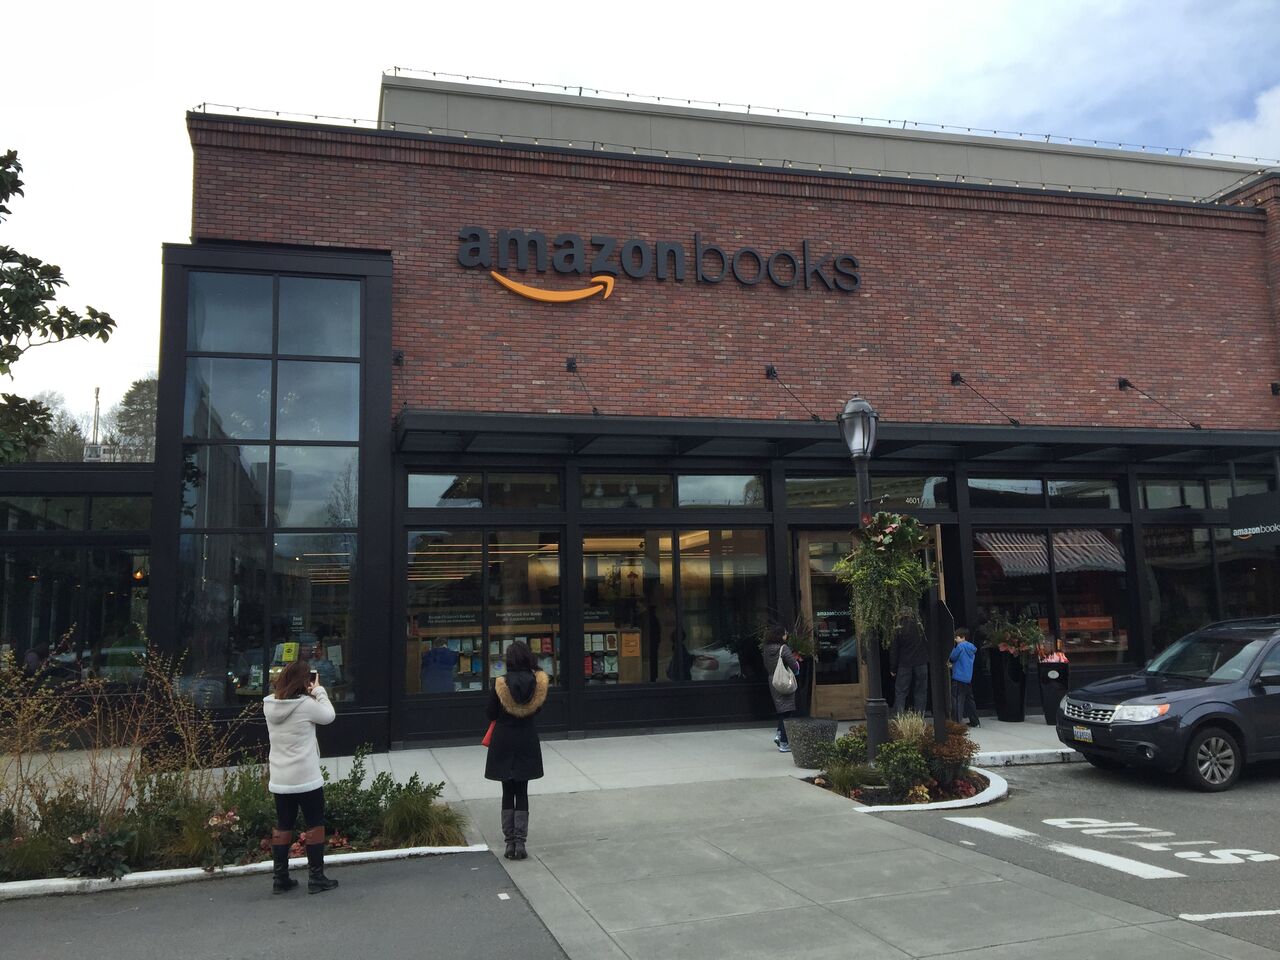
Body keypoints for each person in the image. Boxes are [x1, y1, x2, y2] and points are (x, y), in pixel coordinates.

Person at [262, 659, 338, 894]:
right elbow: (329, 716)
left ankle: (280, 878)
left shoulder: (269, 704)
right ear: (304, 681)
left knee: (283, 826)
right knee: (314, 824)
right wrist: (319, 691)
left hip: (281, 779)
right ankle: (316, 878)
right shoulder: (306, 705)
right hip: (306, 778)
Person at [485, 639, 548, 860]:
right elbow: (537, 711)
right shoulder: (538, 683)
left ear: (509, 659)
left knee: (507, 790)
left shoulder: (500, 683)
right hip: (526, 739)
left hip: (503, 739)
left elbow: (490, 713)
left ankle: (509, 843)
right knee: (522, 790)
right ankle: (521, 843)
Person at [762, 624, 800, 753]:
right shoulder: (783, 648)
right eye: (785, 633)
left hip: (773, 680)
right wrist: (797, 666)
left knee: (782, 710)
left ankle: (779, 735)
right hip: (784, 680)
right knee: (787, 712)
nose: (786, 635)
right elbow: (793, 665)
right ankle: (784, 742)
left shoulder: (766, 649)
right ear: (780, 635)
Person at [890, 607, 929, 714]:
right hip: (921, 662)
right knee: (921, 691)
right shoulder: (920, 627)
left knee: (901, 692)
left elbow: (894, 650)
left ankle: (900, 717)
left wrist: (893, 668)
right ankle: (919, 716)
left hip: (904, 663)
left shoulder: (898, 629)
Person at [949, 628, 980, 727]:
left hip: (958, 677)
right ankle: (975, 722)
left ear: (963, 638)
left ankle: (956, 723)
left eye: (956, 637)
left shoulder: (960, 646)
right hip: (968, 677)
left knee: (957, 700)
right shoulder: (971, 648)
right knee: (969, 700)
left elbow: (952, 657)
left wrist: (952, 648)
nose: (955, 639)